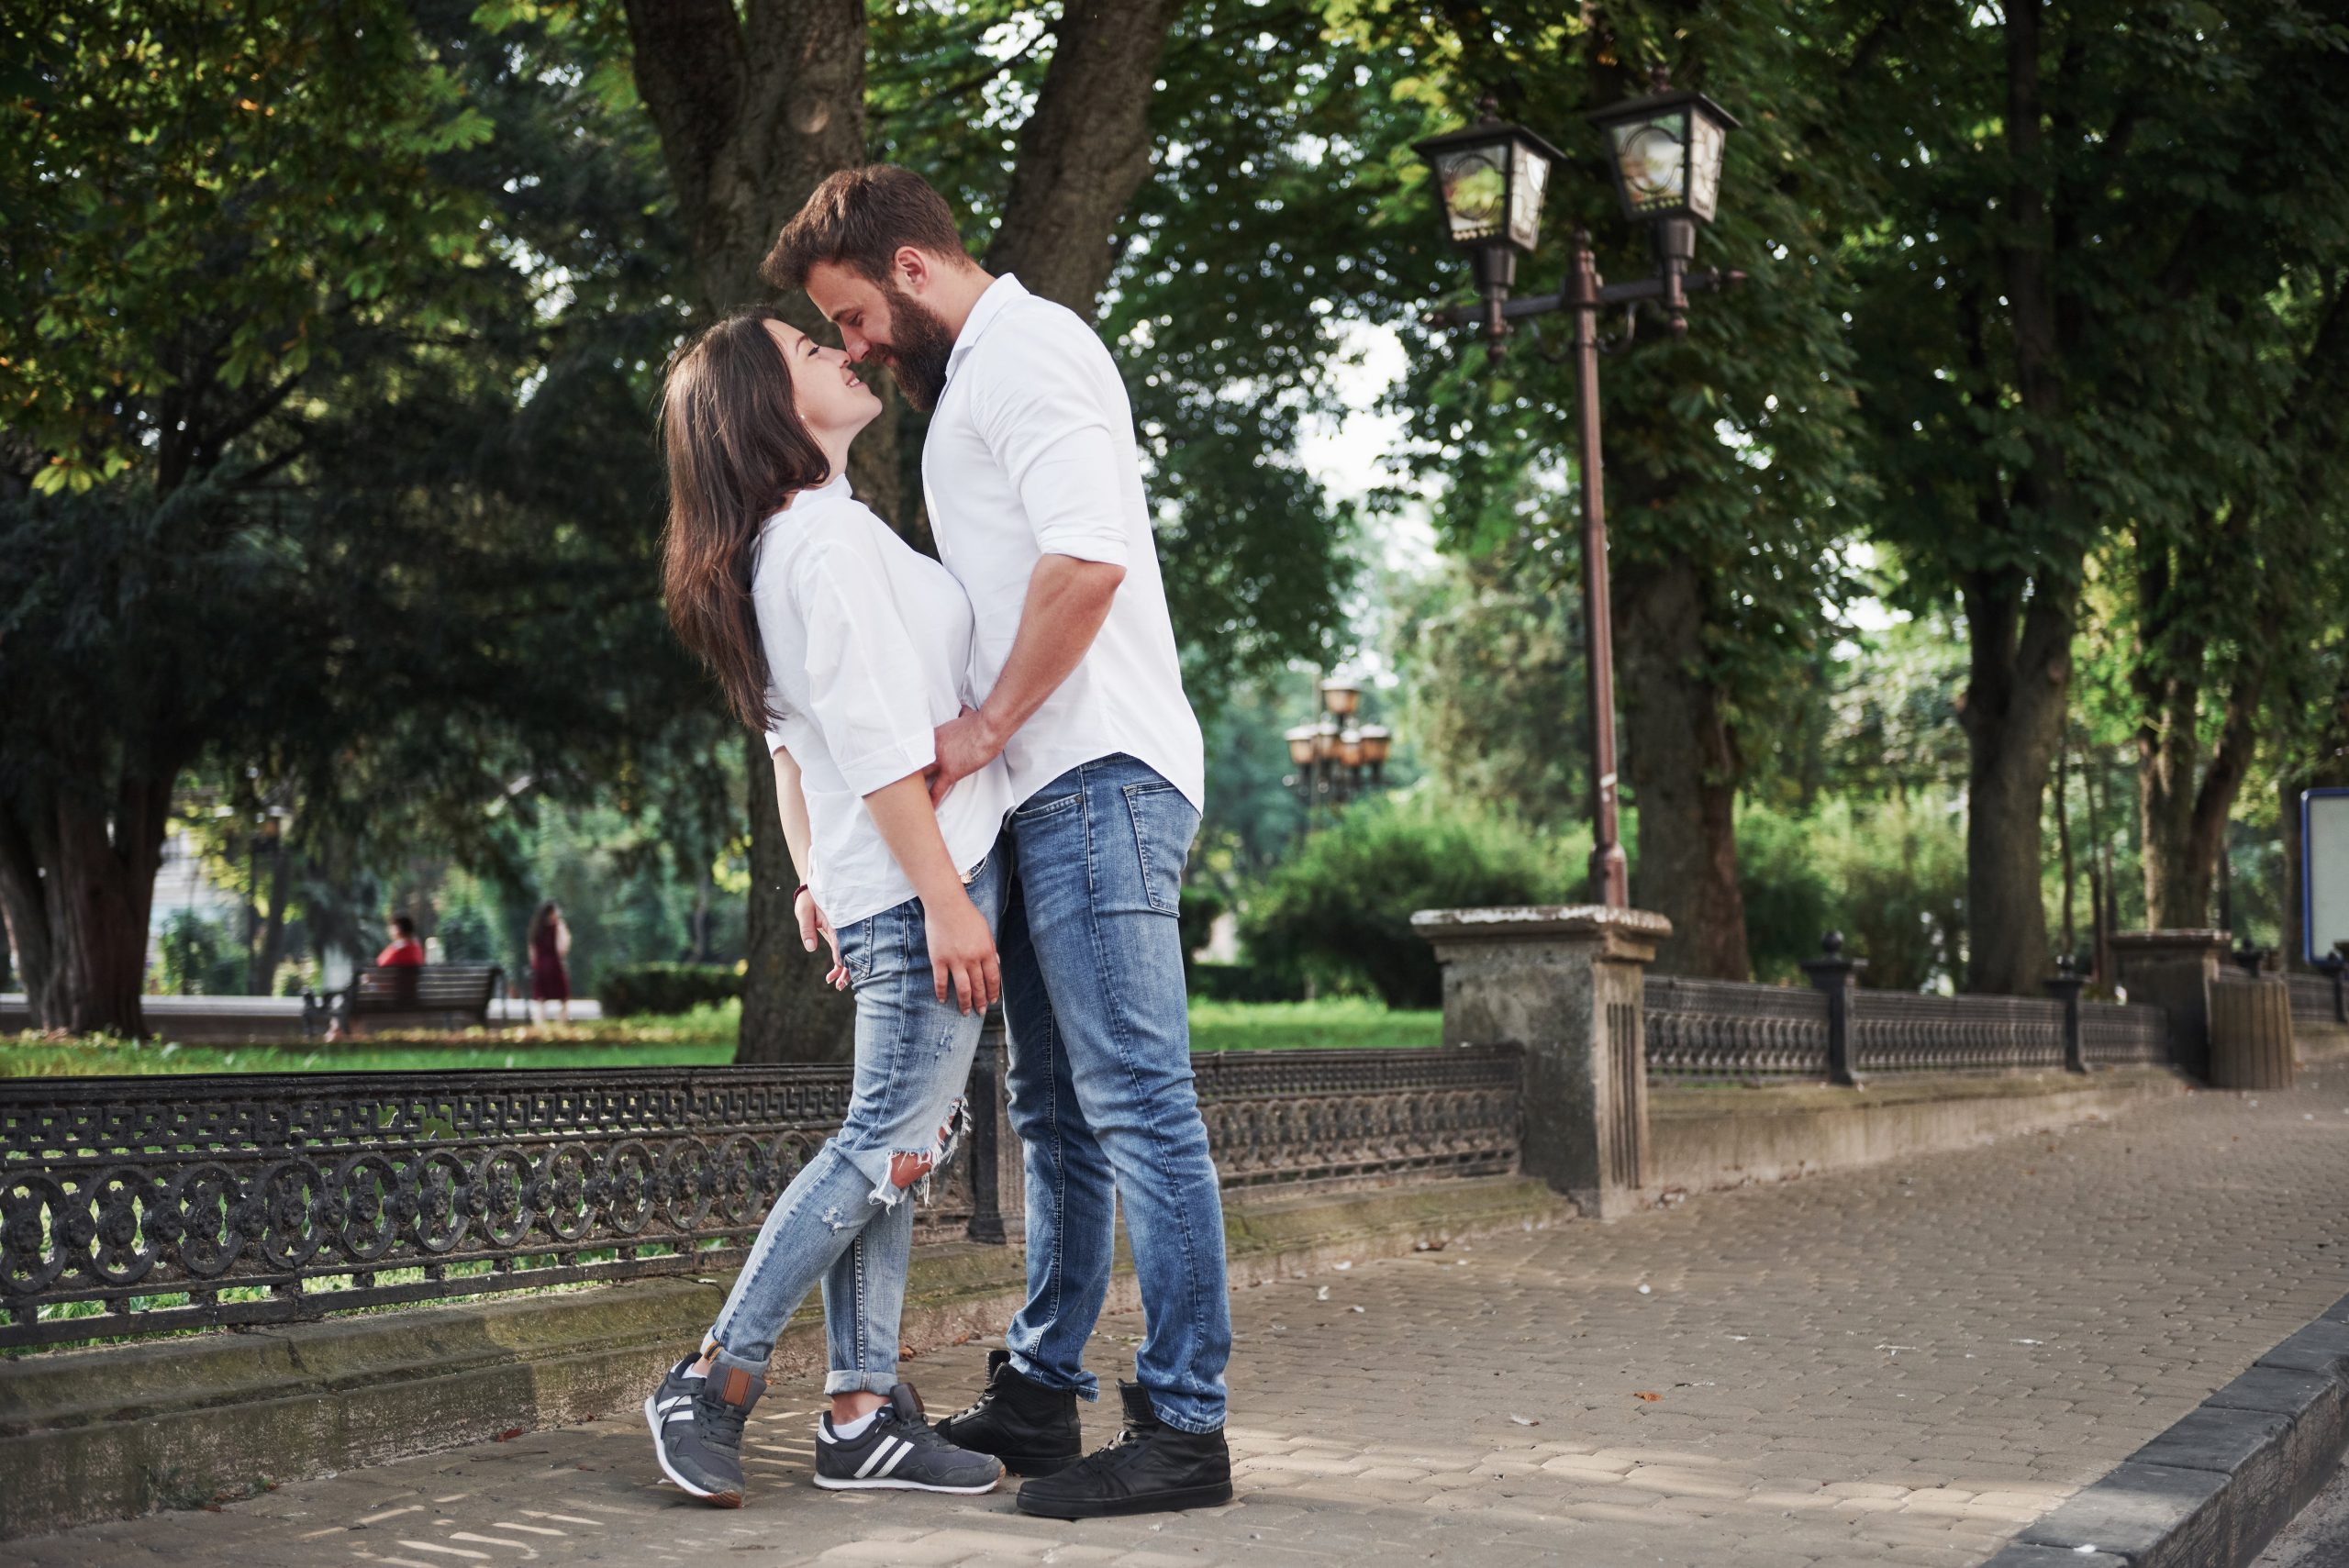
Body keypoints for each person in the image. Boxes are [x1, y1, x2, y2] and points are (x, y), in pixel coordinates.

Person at [767, 166, 1230, 1520]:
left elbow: (1087, 563)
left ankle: (1186, 1425)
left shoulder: (1031, 352)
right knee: (1055, 1115)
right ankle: (1038, 1390)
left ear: (910, 270)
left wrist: (984, 728)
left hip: (1094, 768)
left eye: (850, 317)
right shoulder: (968, 387)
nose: (852, 347)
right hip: (1046, 792)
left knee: (1138, 1098)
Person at [644, 304, 1015, 1507]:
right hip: (919, 891)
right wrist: (942, 901)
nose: (843, 352)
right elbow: (865, 746)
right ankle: (715, 1374)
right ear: (768, 408)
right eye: (811, 352)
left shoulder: (809, 542)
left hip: (887, 886)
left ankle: (860, 1412)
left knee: (893, 1155)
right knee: (887, 1148)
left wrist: (819, 879)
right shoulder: (822, 546)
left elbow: (788, 753)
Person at [527, 901, 573, 1023]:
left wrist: (534, 966)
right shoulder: (557, 927)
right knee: (563, 997)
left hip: (540, 967)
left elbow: (532, 952)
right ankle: (562, 1023)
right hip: (554, 965)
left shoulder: (536, 929)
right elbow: (562, 949)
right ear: (551, 913)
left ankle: (539, 1024)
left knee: (541, 998)